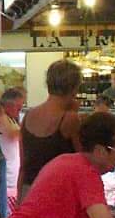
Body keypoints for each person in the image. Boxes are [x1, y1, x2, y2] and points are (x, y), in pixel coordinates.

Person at [18, 59, 83, 199]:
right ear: (74, 88)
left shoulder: (28, 115)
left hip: (29, 190)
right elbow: (82, 160)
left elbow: (23, 166)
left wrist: (19, 202)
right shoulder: (70, 119)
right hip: (57, 193)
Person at [0, 87, 26, 216]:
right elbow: (13, 135)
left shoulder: (11, 119)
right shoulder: (1, 117)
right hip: (6, 182)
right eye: (18, 107)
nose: (19, 111)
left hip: (11, 177)